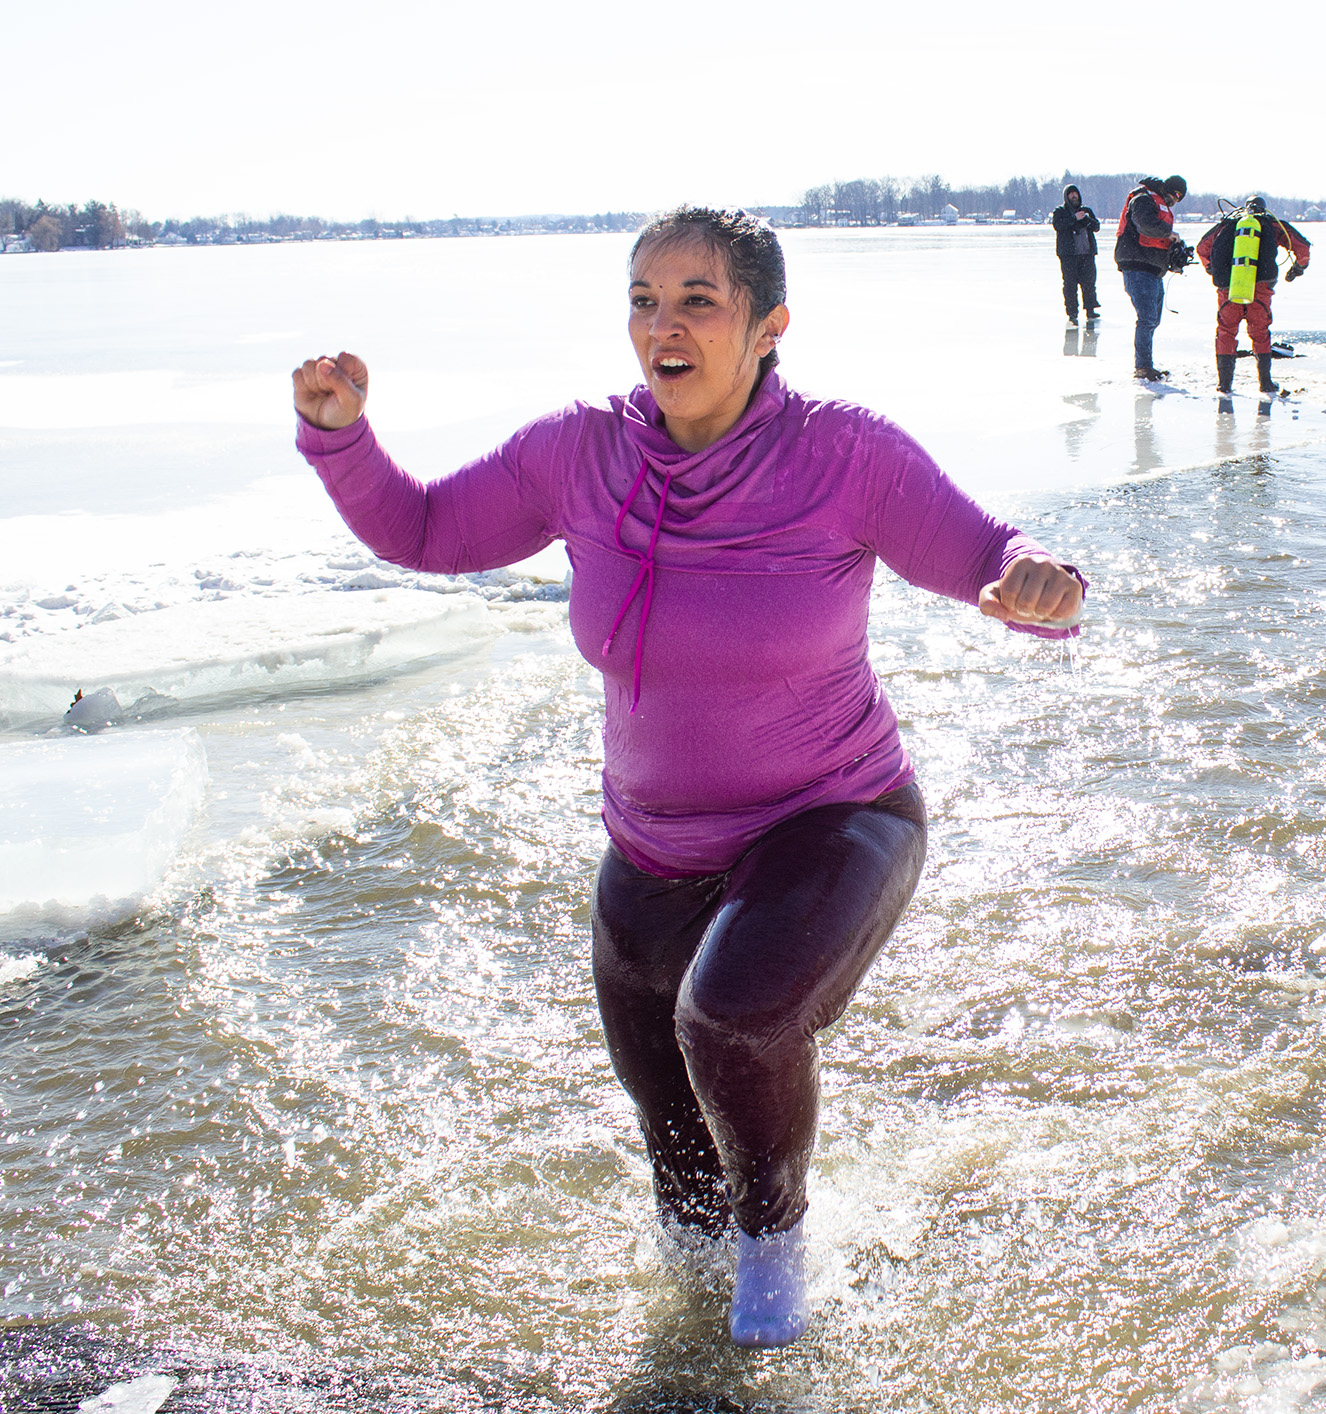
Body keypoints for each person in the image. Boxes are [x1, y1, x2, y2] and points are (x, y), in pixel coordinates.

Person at [288, 207, 1087, 1348]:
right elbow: (423, 527)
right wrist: (344, 438)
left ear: (769, 327)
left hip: (835, 816)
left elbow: (986, 553)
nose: (661, 325)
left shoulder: (842, 453)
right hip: (654, 852)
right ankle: (686, 1337)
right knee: (670, 1134)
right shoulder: (580, 453)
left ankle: (777, 1260)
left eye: (696, 301)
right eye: (643, 299)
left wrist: (1033, 578)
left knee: (731, 1020)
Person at [1195, 196, 1312, 395]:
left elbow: (1202, 248)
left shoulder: (1227, 224)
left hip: (1229, 286)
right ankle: (1265, 383)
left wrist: (1211, 269)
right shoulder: (1271, 224)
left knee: (1226, 331)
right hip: (1261, 285)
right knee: (1260, 332)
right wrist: (1297, 269)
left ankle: (1224, 384)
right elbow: (1302, 248)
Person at [1115, 175, 1192, 381]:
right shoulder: (1143, 198)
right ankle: (1142, 367)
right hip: (1137, 264)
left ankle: (1145, 365)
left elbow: (1158, 238)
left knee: (1153, 319)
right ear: (1167, 190)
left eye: (1178, 200)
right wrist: (1169, 234)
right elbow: (1144, 224)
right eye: (1174, 197)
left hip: (1152, 269)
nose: (1174, 202)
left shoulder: (1160, 205)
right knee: (1147, 318)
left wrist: (1175, 255)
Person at [1051, 185, 1103, 323]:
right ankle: (1072, 313)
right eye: (1071, 194)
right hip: (1069, 255)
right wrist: (1074, 218)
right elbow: (1058, 226)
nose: (1074, 196)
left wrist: (1085, 219)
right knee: (1070, 285)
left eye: (1076, 194)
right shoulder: (1060, 211)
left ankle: (1091, 310)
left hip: (1087, 254)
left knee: (1089, 283)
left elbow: (1096, 227)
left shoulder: (1086, 210)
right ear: (1066, 197)